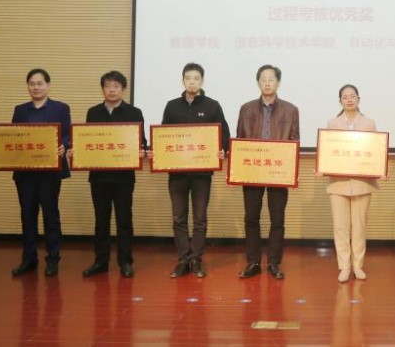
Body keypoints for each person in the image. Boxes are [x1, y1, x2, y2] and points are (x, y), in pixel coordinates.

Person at [72, 71, 147, 279]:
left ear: (123, 89)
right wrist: (77, 149)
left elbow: (142, 142)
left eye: (116, 86)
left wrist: (142, 150)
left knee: (124, 220)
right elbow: (87, 141)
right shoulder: (93, 112)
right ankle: (100, 262)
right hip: (99, 177)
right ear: (102, 89)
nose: (112, 90)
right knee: (101, 220)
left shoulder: (134, 112)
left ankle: (125, 262)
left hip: (124, 177)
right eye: (107, 86)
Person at [160, 63, 231, 279]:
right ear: (183, 80)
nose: (192, 82)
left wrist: (222, 150)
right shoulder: (172, 106)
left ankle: (197, 260)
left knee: (200, 219)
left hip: (202, 174)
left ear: (202, 81)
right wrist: (158, 151)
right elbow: (163, 136)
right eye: (188, 78)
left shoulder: (212, 106)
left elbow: (224, 134)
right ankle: (183, 260)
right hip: (177, 173)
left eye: (196, 78)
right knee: (179, 218)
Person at [236, 64, 300, 280]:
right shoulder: (246, 109)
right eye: (263, 79)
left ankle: (274, 262)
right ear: (258, 82)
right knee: (251, 218)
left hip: (278, 173)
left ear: (278, 82)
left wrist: (292, 171)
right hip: (252, 171)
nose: (267, 83)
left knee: (277, 220)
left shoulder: (291, 110)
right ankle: (253, 262)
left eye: (271, 79)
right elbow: (240, 141)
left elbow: (294, 142)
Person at [7, 68, 71, 277]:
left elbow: (68, 134)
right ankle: (29, 259)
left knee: (51, 216)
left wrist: (63, 145)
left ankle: (52, 259)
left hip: (50, 173)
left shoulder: (60, 108)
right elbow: (12, 136)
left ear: (48, 85)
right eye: (32, 84)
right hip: (25, 173)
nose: (36, 87)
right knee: (27, 216)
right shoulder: (20, 110)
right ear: (28, 86)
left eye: (40, 83)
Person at [322, 84, 381, 283]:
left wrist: (380, 170)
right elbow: (327, 152)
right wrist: (322, 166)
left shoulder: (369, 123)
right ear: (340, 101)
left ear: (358, 99)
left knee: (359, 226)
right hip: (338, 183)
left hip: (362, 183)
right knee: (340, 227)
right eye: (345, 97)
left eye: (352, 96)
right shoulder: (332, 123)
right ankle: (344, 266)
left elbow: (375, 151)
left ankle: (358, 265)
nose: (349, 99)